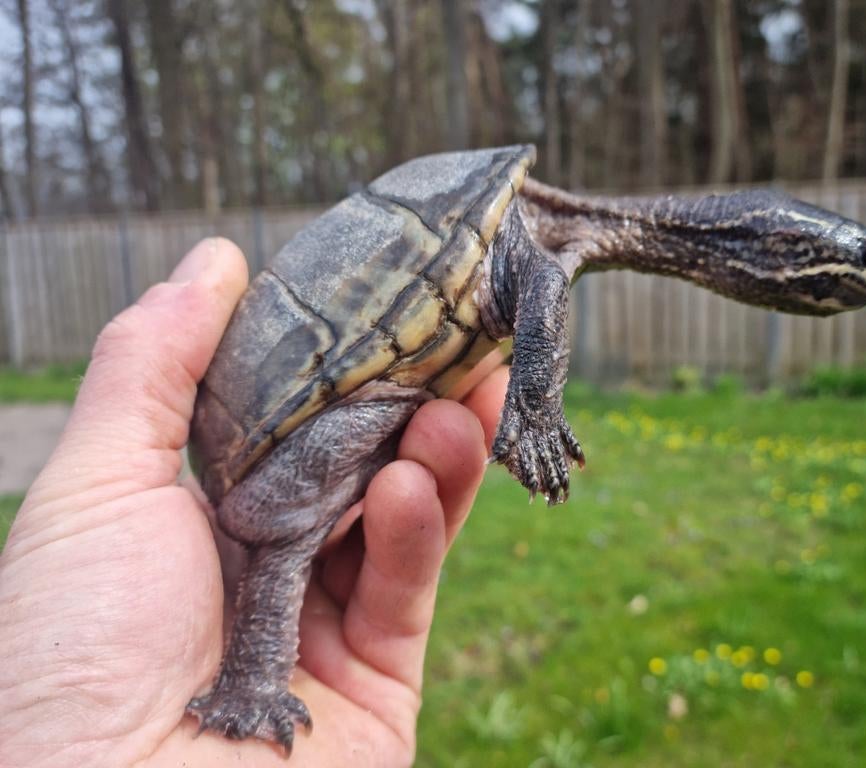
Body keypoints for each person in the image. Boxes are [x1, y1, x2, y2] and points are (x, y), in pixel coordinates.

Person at [0, 238, 506, 766]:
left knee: (315, 520)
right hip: (285, 442)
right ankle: (247, 691)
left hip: (279, 438)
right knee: (288, 532)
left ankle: (249, 690)